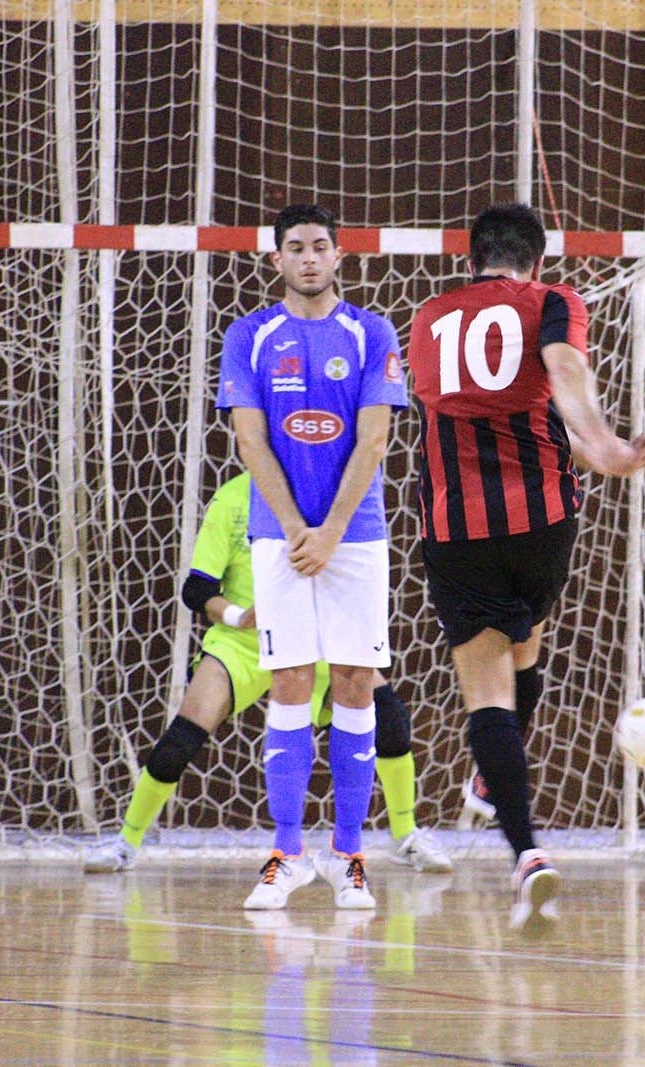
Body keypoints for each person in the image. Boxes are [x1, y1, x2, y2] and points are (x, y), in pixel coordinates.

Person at [407, 203, 645, 926]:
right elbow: (562, 368)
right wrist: (607, 445)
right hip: (545, 522)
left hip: (458, 525)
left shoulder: (429, 317)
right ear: (538, 261)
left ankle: (526, 851)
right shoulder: (555, 301)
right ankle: (495, 780)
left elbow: (443, 405)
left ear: (472, 259)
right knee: (526, 637)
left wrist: (598, 442)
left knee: (487, 690)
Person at [81, 471, 453, 876]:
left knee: (390, 719)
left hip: (318, 636)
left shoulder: (330, 494)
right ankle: (126, 841)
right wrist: (241, 617)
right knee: (182, 736)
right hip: (245, 641)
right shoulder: (234, 498)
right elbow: (198, 589)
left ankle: (406, 835)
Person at [217, 203, 410, 911]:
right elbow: (249, 442)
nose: (307, 257)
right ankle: (287, 853)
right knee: (292, 679)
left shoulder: (371, 332)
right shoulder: (250, 334)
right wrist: (299, 527)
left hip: (355, 535)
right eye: (294, 247)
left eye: (319, 246)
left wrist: (329, 530)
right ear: (276, 259)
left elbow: (375, 439)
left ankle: (351, 854)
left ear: (339, 255)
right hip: (280, 537)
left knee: (358, 680)